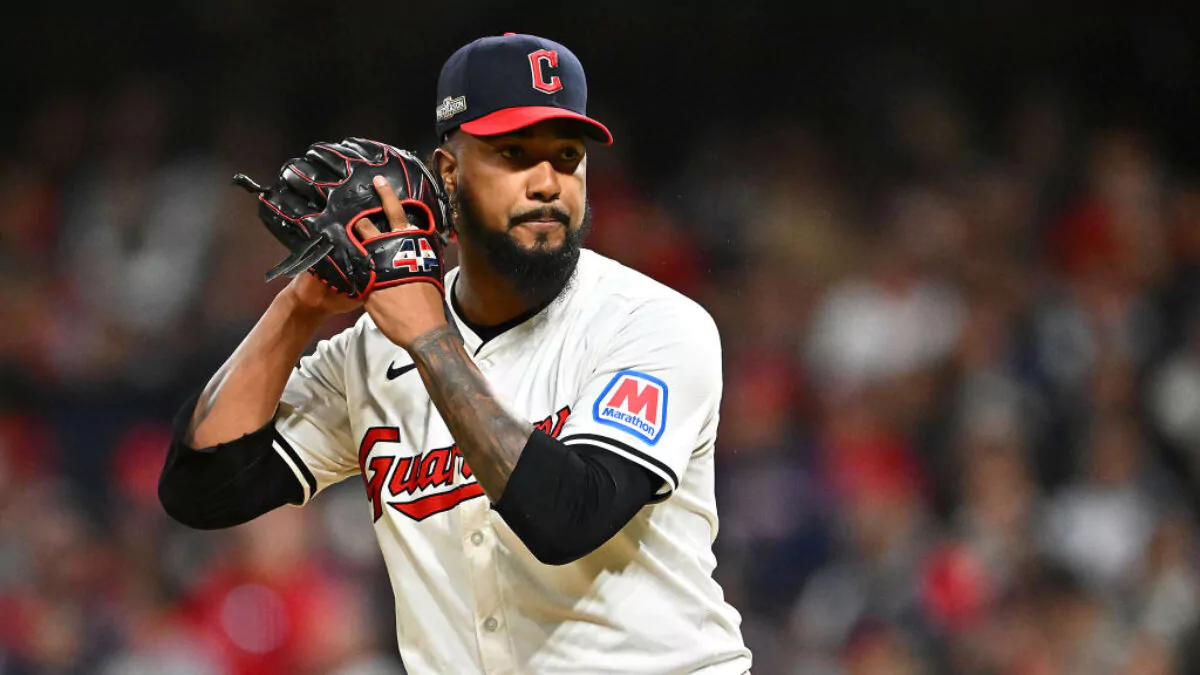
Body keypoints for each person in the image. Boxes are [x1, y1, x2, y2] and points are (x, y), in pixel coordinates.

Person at [159, 32, 752, 674]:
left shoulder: (652, 324)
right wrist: (300, 305)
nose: (547, 183)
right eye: (513, 154)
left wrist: (430, 339)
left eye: (567, 156)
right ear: (448, 172)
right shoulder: (371, 352)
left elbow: (568, 518)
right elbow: (201, 490)